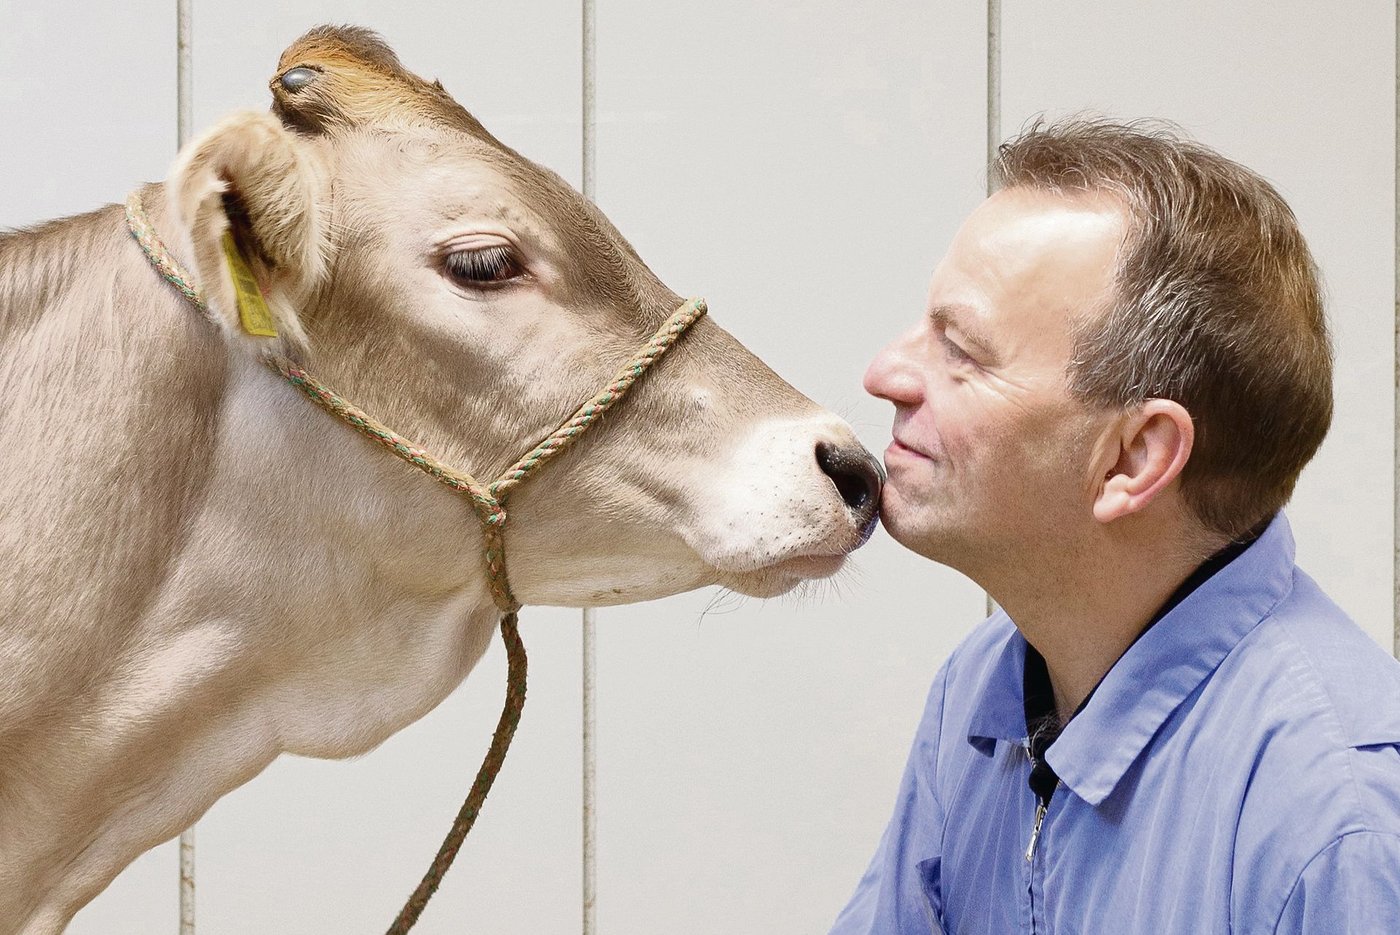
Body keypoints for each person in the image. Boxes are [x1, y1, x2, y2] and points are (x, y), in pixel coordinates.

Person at [831, 119, 1400, 934]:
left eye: (961, 350)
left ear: (1134, 457)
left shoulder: (1342, 823)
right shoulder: (981, 688)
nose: (886, 372)